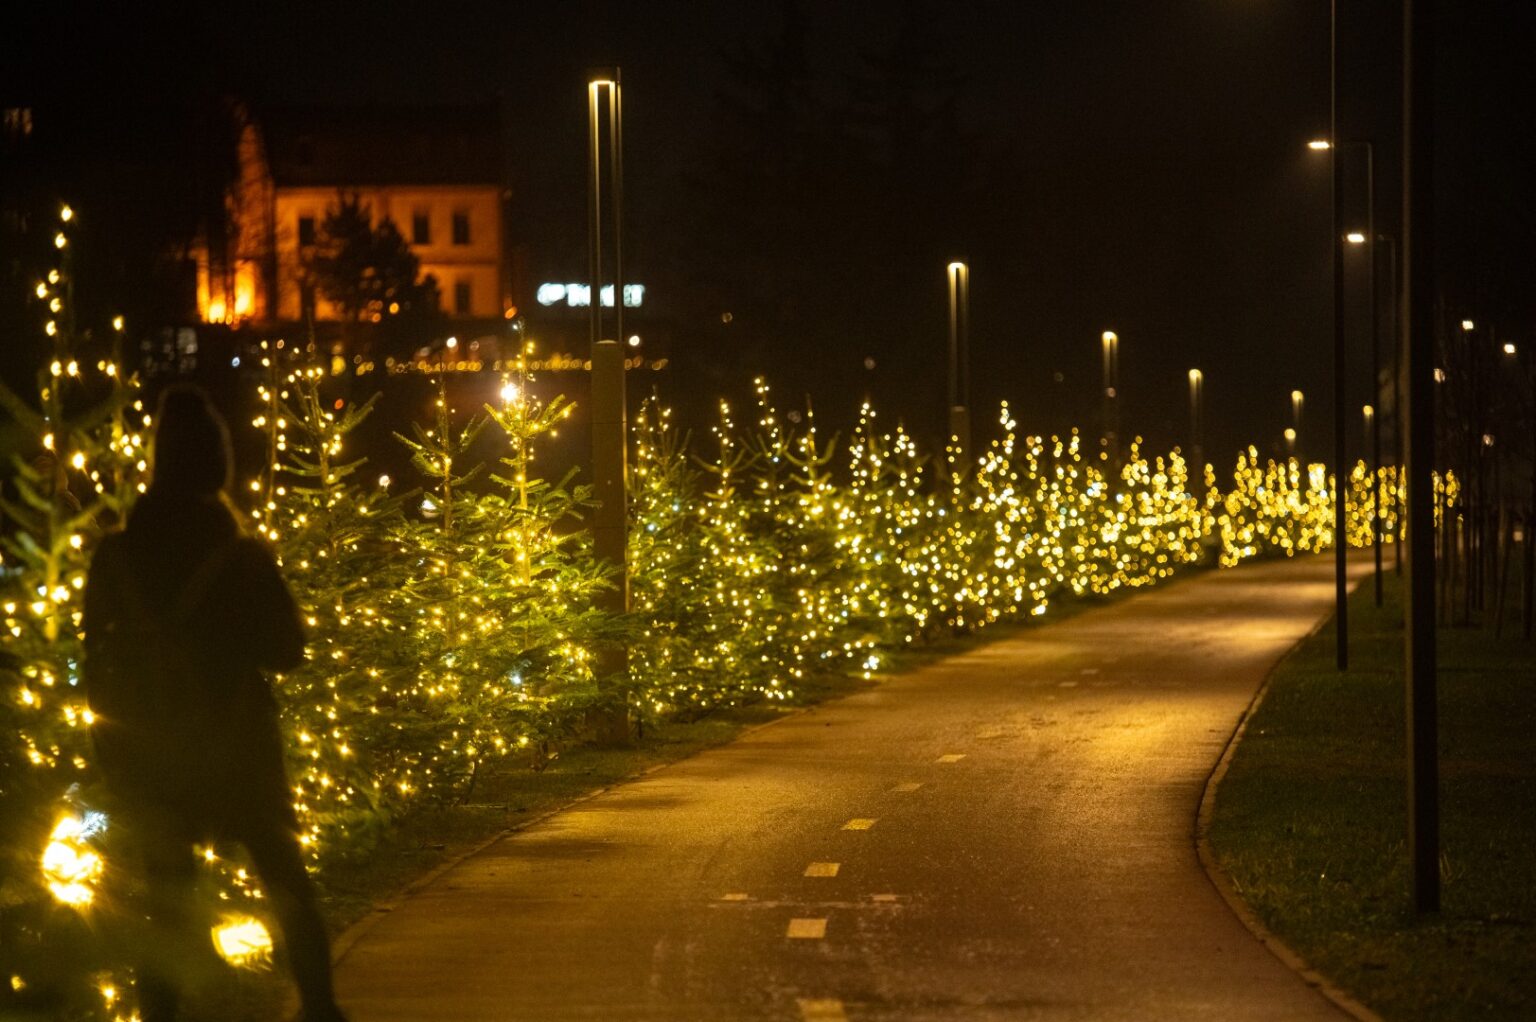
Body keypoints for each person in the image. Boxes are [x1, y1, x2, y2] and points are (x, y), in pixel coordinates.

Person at [83, 384, 346, 1022]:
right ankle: (319, 1007)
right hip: (240, 747)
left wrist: (113, 750)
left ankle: (160, 1016)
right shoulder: (243, 556)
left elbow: (94, 661)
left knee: (165, 900)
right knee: (286, 884)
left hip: (156, 754)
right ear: (218, 464)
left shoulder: (115, 555)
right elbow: (288, 651)